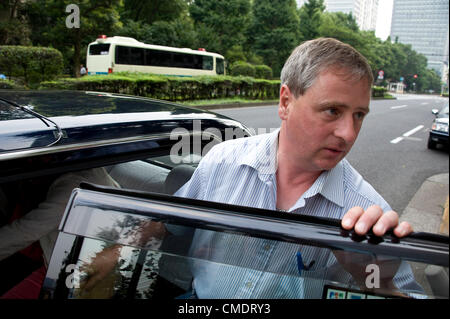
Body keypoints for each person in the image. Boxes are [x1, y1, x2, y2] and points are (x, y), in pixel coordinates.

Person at [79, 38, 419, 299]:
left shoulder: (367, 214)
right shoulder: (222, 161)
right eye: (332, 111)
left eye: (359, 115)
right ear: (285, 101)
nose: (348, 133)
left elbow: (404, 291)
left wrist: (377, 282)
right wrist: (115, 249)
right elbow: (170, 225)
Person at [0, 167, 119, 298]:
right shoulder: (91, 169)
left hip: (71, 275)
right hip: (69, 264)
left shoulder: (74, 188)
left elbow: (23, 232)